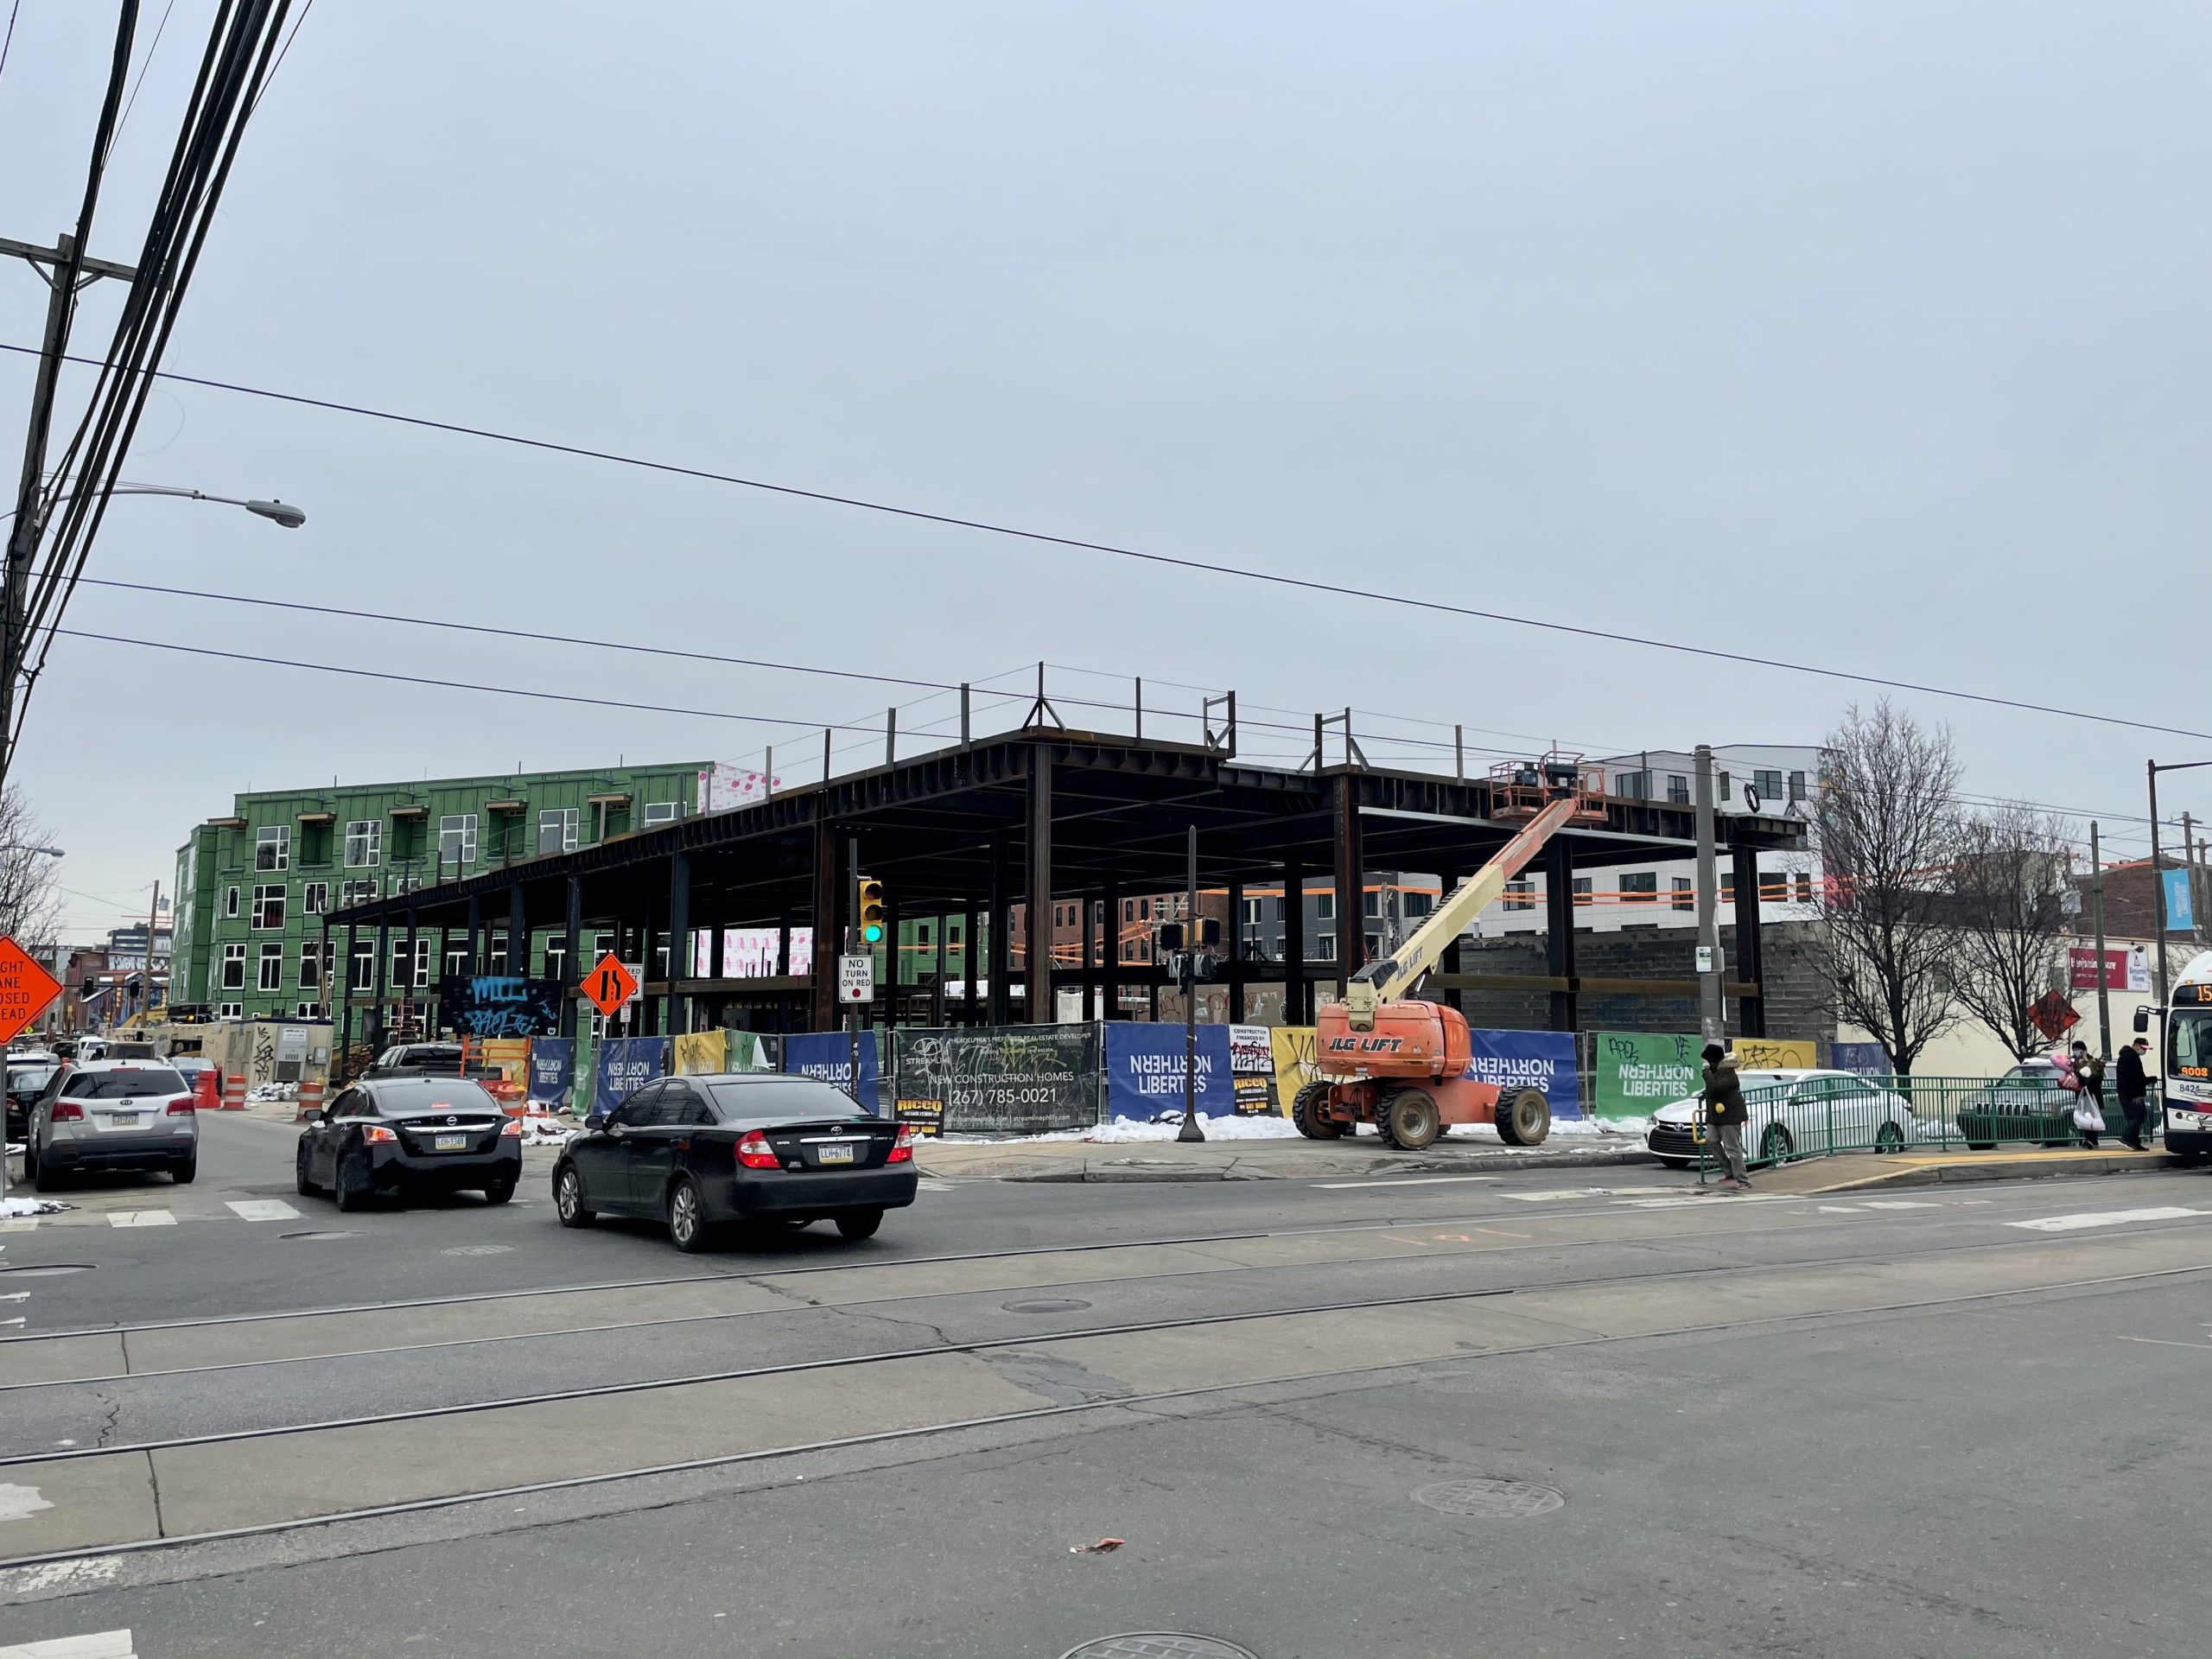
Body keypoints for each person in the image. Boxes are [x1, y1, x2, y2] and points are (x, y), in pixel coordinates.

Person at [1700, 1041, 1750, 1191]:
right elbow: (1710, 1090)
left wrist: (1706, 1074)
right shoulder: (1716, 1072)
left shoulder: (1728, 1073)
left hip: (1730, 1116)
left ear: (1714, 1060)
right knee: (1711, 1140)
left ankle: (1743, 1179)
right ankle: (1729, 1172)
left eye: (1708, 1060)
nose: (1707, 1063)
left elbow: (1715, 1088)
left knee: (1732, 1148)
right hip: (1715, 1116)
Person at [2114, 1036, 2152, 1152]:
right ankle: (2128, 1137)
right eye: (2142, 1048)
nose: (2144, 1051)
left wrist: (2147, 1080)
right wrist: (2137, 1094)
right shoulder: (2131, 1058)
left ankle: (2134, 1142)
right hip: (2131, 1094)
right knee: (2139, 1115)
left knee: (2134, 1116)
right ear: (2135, 1045)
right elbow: (2133, 1078)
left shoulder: (2125, 1057)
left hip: (2125, 1093)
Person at [2069, 1039, 2106, 1149]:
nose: (2076, 1052)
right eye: (2074, 1050)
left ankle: (2093, 1140)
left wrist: (2089, 1080)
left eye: (2078, 1050)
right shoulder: (2073, 1063)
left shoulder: (2093, 1062)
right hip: (2082, 1095)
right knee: (2084, 1117)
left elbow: (2099, 1078)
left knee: (2093, 1116)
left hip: (2093, 1094)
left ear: (2084, 1050)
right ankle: (2088, 1139)